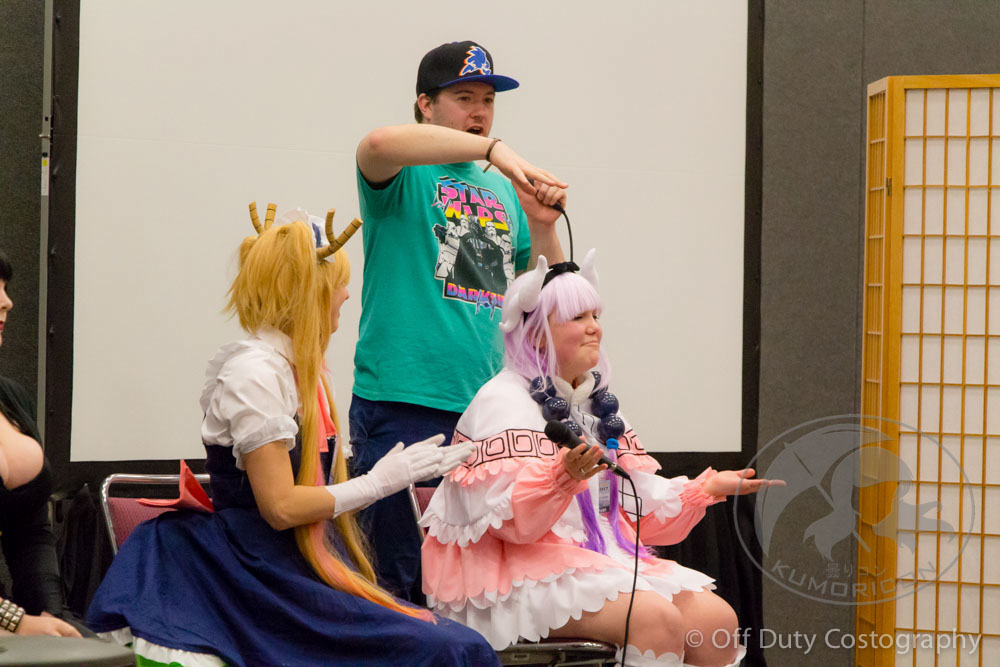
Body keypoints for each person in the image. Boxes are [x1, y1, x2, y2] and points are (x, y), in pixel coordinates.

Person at [86, 209, 494, 666]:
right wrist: (379, 483)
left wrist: (386, 477)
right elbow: (280, 508)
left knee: (457, 645)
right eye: (338, 284)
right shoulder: (254, 374)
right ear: (309, 291)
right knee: (453, 650)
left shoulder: (299, 371)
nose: (346, 294)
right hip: (251, 576)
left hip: (291, 568)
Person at [420, 250, 781, 667]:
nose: (595, 327)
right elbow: (510, 524)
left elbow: (635, 505)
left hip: (594, 559)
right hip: (510, 574)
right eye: (578, 317)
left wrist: (704, 490)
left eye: (596, 315)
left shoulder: (595, 406)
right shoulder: (502, 402)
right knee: (655, 620)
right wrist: (560, 479)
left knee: (717, 623)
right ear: (537, 334)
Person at [351, 38, 569, 602]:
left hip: (484, 410)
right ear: (424, 104)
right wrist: (494, 148)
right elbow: (376, 144)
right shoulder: (404, 174)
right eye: (464, 98)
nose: (480, 111)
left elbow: (541, 293)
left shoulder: (500, 190)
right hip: (403, 399)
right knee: (397, 581)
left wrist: (542, 224)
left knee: (475, 581)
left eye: (488, 101)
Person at [0, 250, 83, 639]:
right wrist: (16, 622)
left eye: (6, 288)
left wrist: (51, 613)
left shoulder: (12, 397)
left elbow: (30, 531)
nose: (7, 302)